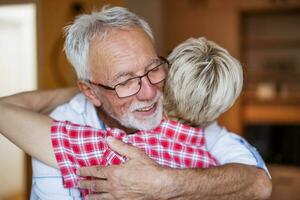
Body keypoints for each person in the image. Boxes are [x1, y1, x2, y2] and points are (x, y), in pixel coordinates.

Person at [0, 5, 271, 200]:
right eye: (125, 81)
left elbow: (259, 182)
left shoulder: (103, 148)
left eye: (154, 68)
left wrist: (165, 183)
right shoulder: (69, 121)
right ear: (91, 91)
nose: (149, 94)